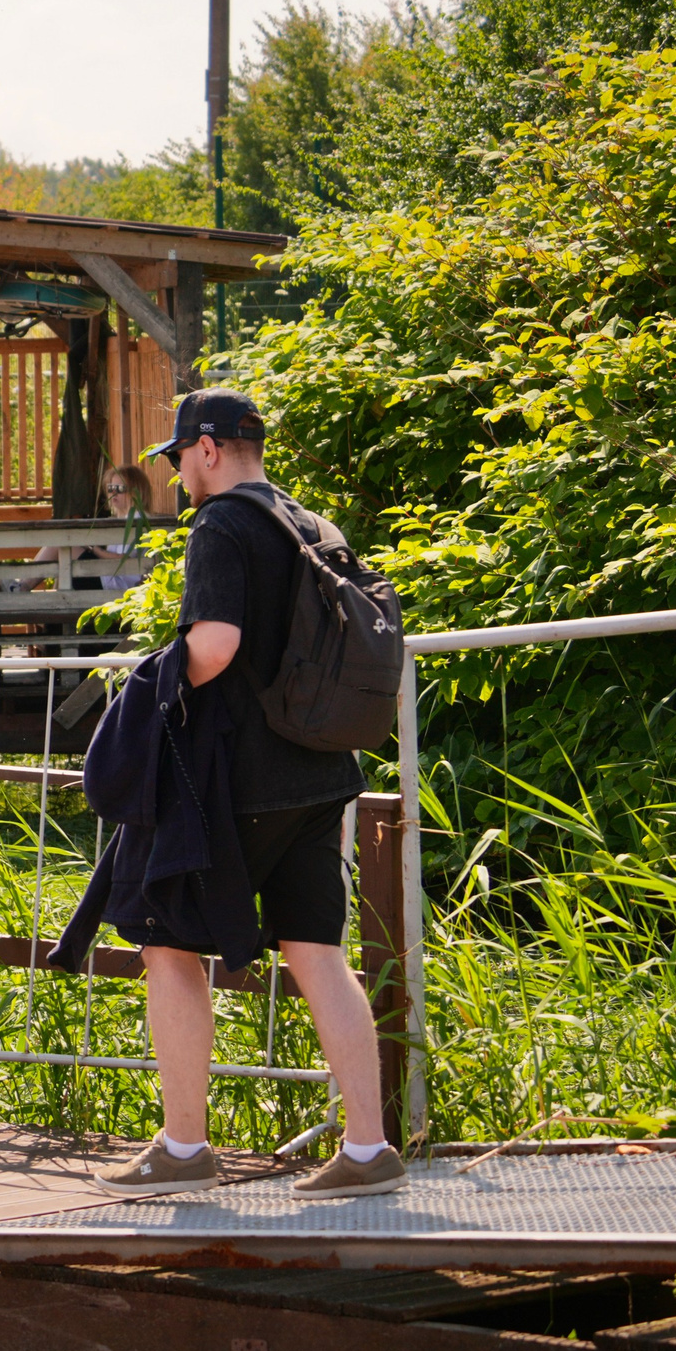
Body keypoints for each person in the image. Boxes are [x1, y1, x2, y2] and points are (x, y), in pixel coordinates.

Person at [95, 388, 400, 1200]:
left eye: (179, 461)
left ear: (205, 448)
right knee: (317, 951)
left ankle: (185, 1146)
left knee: (164, 937)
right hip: (323, 772)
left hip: (243, 781)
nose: (177, 479)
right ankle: (369, 1148)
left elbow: (216, 644)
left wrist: (154, 684)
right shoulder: (312, 525)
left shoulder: (224, 524)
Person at [82, 462, 153, 597]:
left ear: (136, 490)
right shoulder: (123, 518)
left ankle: (27, 586)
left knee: (62, 549)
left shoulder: (137, 519)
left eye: (119, 488)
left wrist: (92, 548)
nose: (113, 493)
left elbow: (123, 559)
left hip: (120, 585)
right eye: (110, 488)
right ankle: (28, 585)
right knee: (63, 552)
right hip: (112, 579)